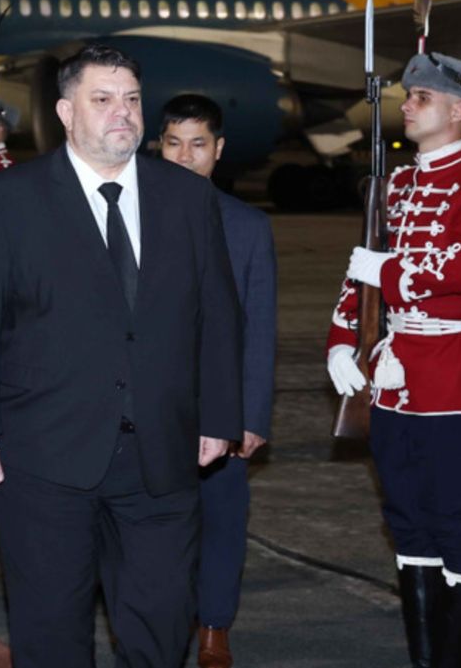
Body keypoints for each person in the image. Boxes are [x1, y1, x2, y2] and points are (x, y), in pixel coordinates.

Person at [0, 42, 242, 668]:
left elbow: (217, 312)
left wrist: (219, 415)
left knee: (161, 628)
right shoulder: (10, 199)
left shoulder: (187, 198)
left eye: (132, 100)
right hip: (43, 456)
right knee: (51, 630)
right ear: (64, 111)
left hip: (162, 454)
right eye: (103, 100)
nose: (123, 114)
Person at [326, 52, 461, 668]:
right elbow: (360, 274)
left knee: (457, 520)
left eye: (421, 97)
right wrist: (341, 343)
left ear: (459, 111)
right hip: (393, 378)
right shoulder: (396, 184)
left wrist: (391, 271)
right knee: (406, 518)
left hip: (455, 376)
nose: (407, 103)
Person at [159, 95, 277, 668]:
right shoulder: (126, 216)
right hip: (148, 407)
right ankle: (158, 624)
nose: (185, 156)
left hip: (218, 406)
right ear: (157, 146)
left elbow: (259, 325)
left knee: (222, 521)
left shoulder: (248, 227)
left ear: (219, 150)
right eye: (174, 143)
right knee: (151, 527)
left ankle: (213, 628)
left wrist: (251, 415)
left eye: (198, 144)